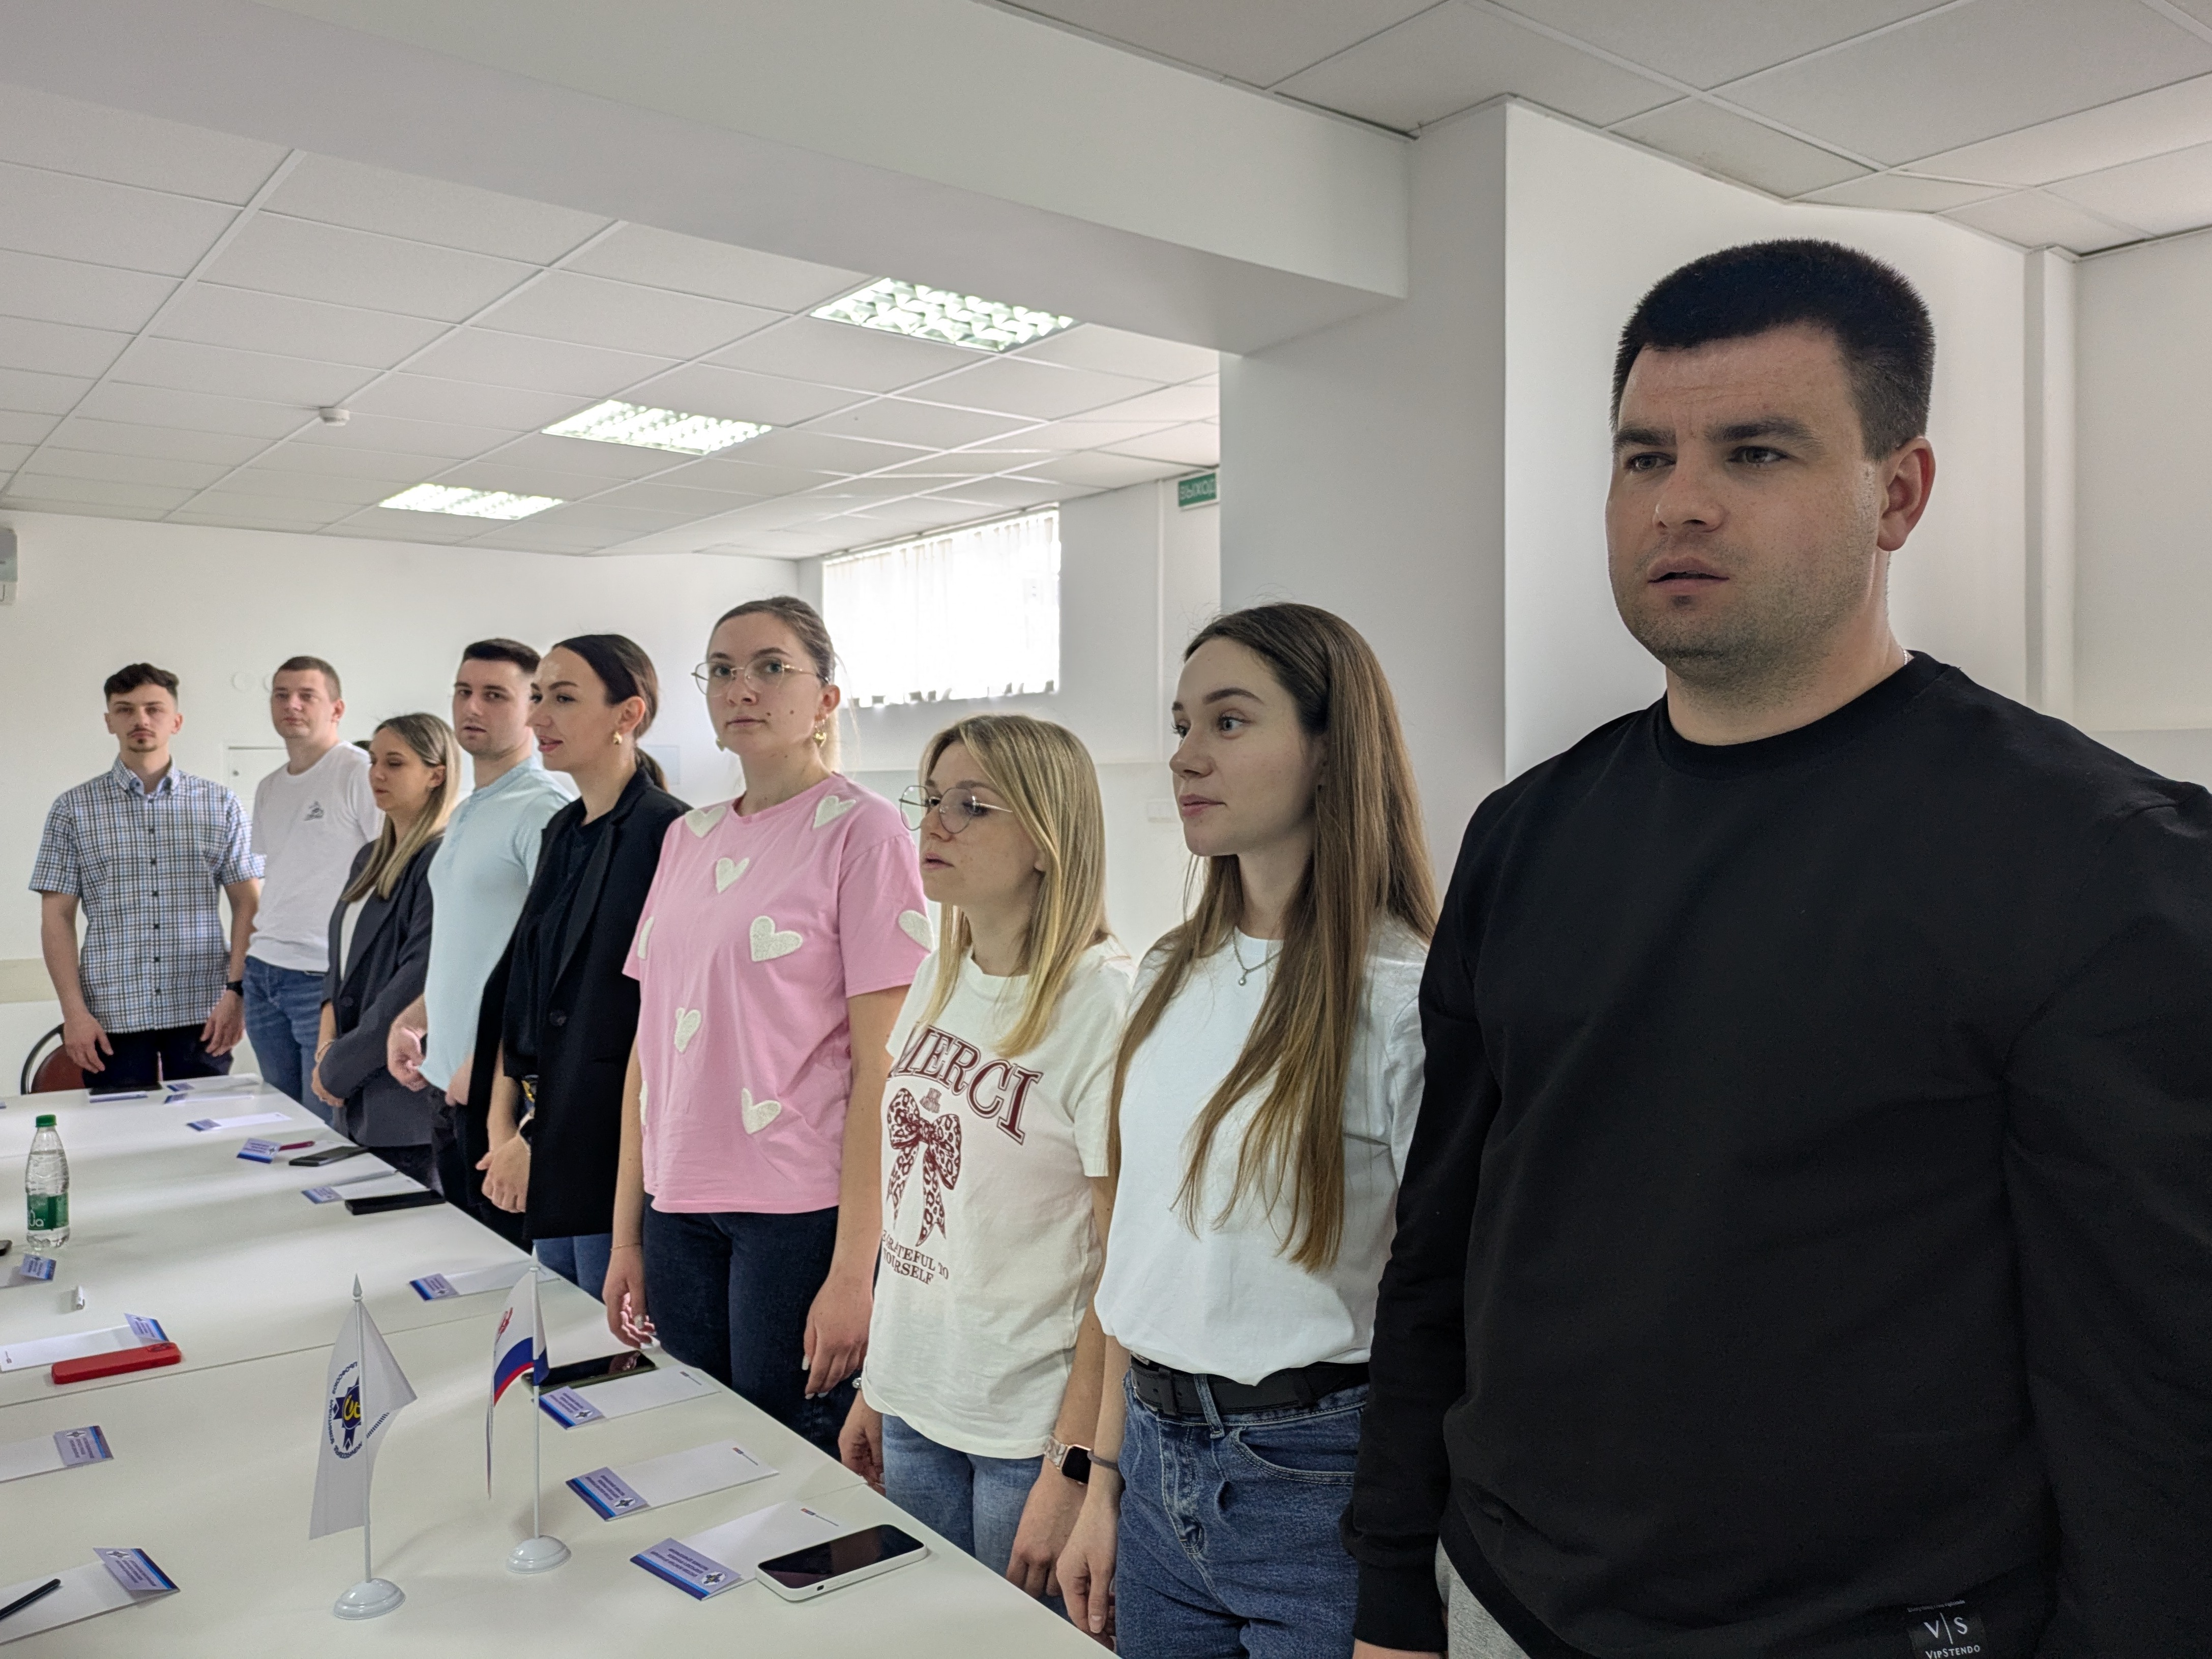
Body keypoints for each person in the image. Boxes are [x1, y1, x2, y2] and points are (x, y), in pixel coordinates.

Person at [1346, 241, 2212, 1659]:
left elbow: (2154, 1384)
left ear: (1897, 493)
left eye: (1754, 452)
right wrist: (1391, 1585)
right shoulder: (1527, 833)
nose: (1678, 501)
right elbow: (1441, 1245)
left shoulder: (2094, 859)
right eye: (1643, 457)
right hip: (1503, 1597)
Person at [1056, 603, 1435, 1658]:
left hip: (1317, 1484)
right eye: (1182, 723)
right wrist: (1098, 1481)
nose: (1185, 754)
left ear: (1330, 749)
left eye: (1227, 721)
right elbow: (1134, 1261)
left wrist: (1408, 1579)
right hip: (1150, 1460)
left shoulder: (1401, 998)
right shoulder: (1163, 972)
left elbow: (1445, 1313)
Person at [603, 596, 929, 1455]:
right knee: (699, 1443)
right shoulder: (689, 837)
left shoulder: (863, 831)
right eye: (721, 669)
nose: (740, 687)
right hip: (680, 1200)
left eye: (770, 667)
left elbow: (883, 1069)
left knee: (790, 1459)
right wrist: (628, 1230)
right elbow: (648, 1051)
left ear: (825, 698)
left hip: (796, 1207)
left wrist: (854, 1271)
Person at [838, 715, 1133, 1597]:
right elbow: (913, 1202)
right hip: (914, 1398)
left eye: (971, 805)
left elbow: (1120, 1265)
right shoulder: (940, 972)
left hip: (1023, 1432)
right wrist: (877, 1384)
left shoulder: (1103, 1004)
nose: (933, 825)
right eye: (931, 799)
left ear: (1046, 838)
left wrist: (1073, 1464)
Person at [469, 637, 686, 1297]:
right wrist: (503, 1126)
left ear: (628, 714)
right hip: (543, 1129)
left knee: (602, 1336)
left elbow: (631, 1022)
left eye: (563, 698)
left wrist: (533, 1138)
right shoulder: (563, 829)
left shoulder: (667, 833)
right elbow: (525, 992)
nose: (538, 717)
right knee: (557, 1323)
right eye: (538, 696)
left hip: (607, 1144)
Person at [382, 641, 572, 1233]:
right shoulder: (468, 809)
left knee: (505, 1264)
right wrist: (414, 1017)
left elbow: (551, 964)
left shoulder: (543, 808)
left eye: (495, 695)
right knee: (467, 1256)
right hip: (446, 1081)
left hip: (497, 1093)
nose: (472, 706)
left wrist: (490, 1065)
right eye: (464, 692)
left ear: (532, 707)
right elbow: (468, 945)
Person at [32, 663, 261, 1089]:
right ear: (109, 721)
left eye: (154, 709)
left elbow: (248, 903)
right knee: (119, 1125)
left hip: (204, 1008)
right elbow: (56, 917)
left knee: (205, 1124)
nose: (141, 719)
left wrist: (237, 993)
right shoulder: (73, 810)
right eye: (126, 709)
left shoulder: (221, 804)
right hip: (111, 1012)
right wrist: (73, 1012)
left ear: (176, 721)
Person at [312, 715, 459, 1190]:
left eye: (395, 763)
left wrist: (338, 1067)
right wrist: (326, 1045)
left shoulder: (440, 858)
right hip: (354, 1083)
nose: (377, 774)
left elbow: (415, 981)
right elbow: (340, 965)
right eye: (374, 761)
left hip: (401, 1091)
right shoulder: (370, 856)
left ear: (436, 774)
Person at [241, 656, 379, 1114]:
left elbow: (392, 871)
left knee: (321, 1126)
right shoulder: (268, 787)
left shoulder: (359, 771)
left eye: (307, 696)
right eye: (281, 695)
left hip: (320, 977)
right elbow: (280, 874)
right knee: (279, 1122)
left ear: (337, 709)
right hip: (264, 972)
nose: (292, 705)